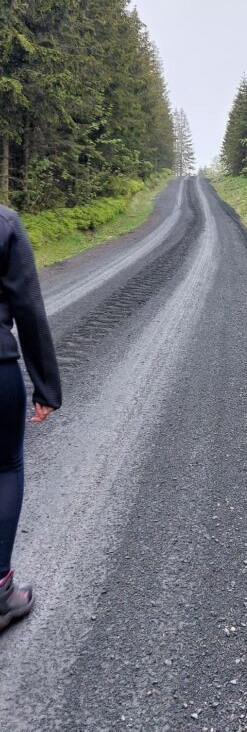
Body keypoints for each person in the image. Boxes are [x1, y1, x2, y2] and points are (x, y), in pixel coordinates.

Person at [0, 204, 62, 631]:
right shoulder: (4, 223)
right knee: (5, 467)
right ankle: (2, 592)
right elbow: (28, 308)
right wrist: (46, 387)